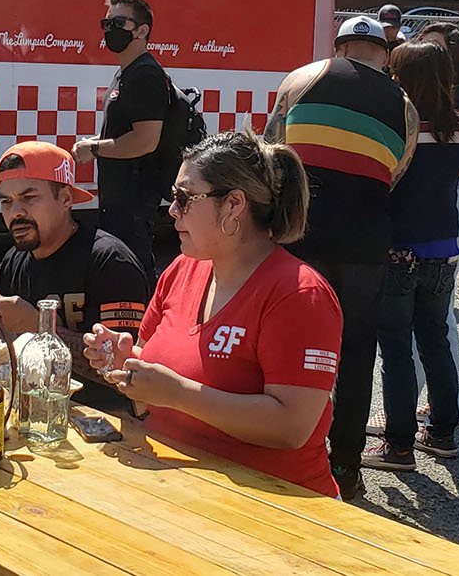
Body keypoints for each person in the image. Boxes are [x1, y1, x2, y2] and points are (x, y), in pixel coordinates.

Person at [81, 131, 344, 498]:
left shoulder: (299, 294)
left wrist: (178, 394)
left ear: (234, 205)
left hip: (275, 507)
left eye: (184, 198)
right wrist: (129, 363)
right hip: (181, 489)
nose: (171, 210)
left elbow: (292, 426)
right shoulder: (181, 270)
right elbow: (159, 385)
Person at [262, 13, 419, 500]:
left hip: (301, 237)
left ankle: (279, 450)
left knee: (283, 346)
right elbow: (395, 172)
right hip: (365, 245)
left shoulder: (303, 78)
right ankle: (346, 466)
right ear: (385, 54)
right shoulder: (406, 107)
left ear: (341, 47)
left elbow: (272, 154)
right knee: (354, 356)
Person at [363, 42, 459, 471]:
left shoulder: (400, 129)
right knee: (435, 340)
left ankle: (399, 445)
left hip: (400, 247)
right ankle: (442, 432)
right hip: (444, 246)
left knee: (395, 346)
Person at [0, 141, 151, 388]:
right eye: (6, 202)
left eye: (29, 198)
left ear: (66, 199)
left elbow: (124, 371)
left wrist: (38, 325)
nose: (16, 212)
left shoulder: (110, 262)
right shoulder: (13, 262)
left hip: (103, 417)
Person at [73, 0, 174, 280]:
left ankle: (146, 324)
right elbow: (126, 131)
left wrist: (94, 149)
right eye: (106, 23)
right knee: (120, 271)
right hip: (118, 198)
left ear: (142, 31)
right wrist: (95, 141)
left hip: (134, 200)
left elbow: (145, 140)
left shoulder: (145, 75)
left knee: (133, 274)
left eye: (119, 23)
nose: (109, 30)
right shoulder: (126, 73)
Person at [411, 23, 459, 424]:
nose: (426, 54)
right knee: (437, 316)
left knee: (433, 317)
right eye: (423, 46)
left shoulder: (455, 100)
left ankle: (442, 406)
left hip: (449, 203)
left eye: (436, 48)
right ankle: (444, 405)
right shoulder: (438, 98)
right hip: (446, 208)